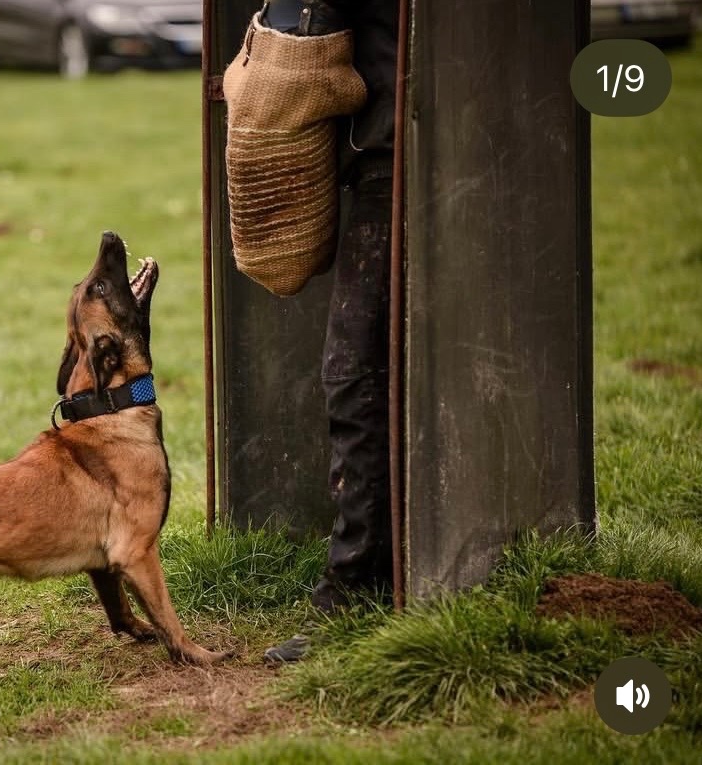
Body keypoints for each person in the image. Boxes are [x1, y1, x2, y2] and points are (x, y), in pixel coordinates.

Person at [226, 0, 399, 662]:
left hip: (398, 156)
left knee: (355, 374)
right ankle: (371, 573)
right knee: (360, 372)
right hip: (385, 150)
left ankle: (357, 588)